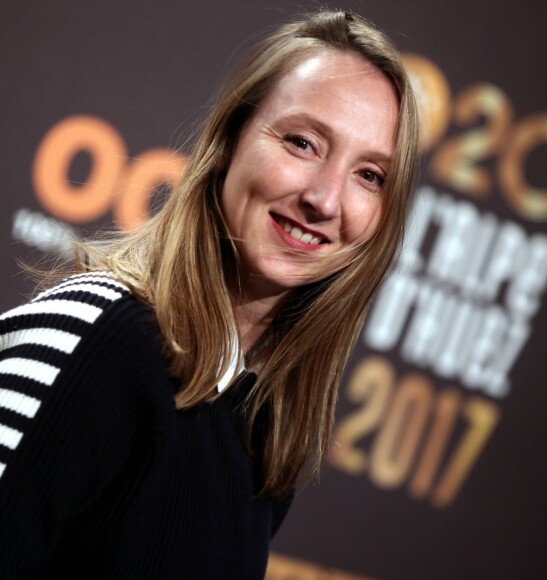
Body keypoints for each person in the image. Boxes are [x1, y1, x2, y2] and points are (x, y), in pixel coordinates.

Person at [0, 8, 418, 579]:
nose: (325, 200)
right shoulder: (95, 334)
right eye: (302, 143)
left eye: (370, 175)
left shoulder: (262, 433)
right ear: (228, 142)